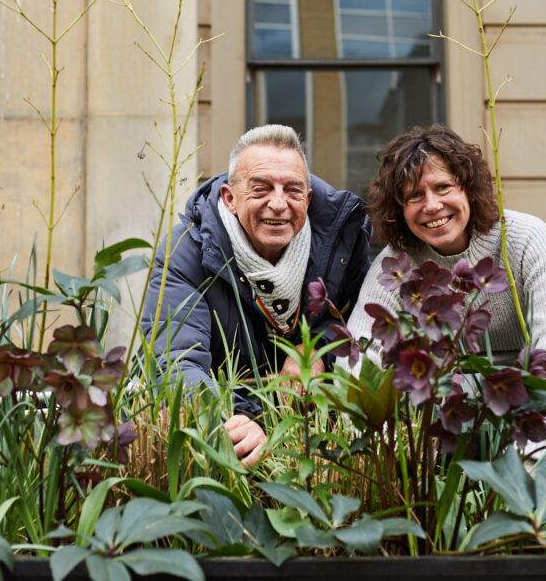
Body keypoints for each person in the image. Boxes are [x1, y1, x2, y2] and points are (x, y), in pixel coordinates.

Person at [140, 124, 372, 466]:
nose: (277, 204)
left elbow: (359, 326)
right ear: (229, 198)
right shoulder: (186, 252)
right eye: (260, 189)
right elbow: (176, 362)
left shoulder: (344, 243)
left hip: (318, 441)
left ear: (307, 200)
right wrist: (238, 419)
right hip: (228, 444)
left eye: (292, 190)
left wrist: (315, 350)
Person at [340, 125, 546, 394]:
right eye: (414, 196)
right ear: (399, 209)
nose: (431, 206)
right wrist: (382, 433)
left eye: (443, 187)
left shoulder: (525, 239)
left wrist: (536, 432)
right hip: (448, 424)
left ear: (469, 188)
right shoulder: (396, 266)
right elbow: (359, 358)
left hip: (538, 411)